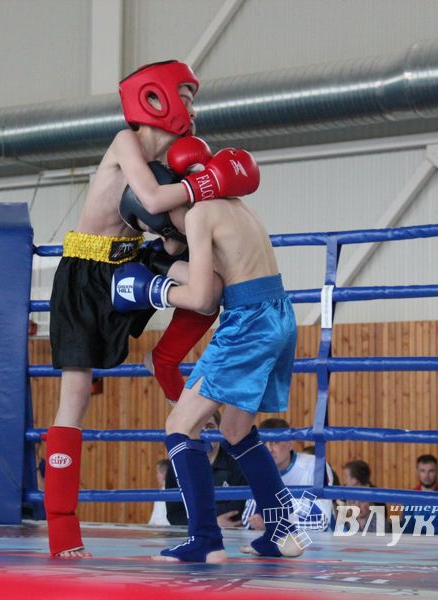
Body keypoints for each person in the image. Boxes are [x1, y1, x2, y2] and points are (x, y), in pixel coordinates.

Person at [45, 60, 254, 558]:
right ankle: (62, 532)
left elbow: (180, 240)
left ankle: (168, 364)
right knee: (75, 396)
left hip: (131, 266)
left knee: (207, 283)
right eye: (184, 93)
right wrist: (203, 186)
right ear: (156, 98)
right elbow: (156, 197)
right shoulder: (125, 143)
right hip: (84, 274)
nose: (192, 106)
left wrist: (204, 197)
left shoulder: (174, 163)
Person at [110, 146, 292, 563]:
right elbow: (217, 275)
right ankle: (282, 529)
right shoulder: (234, 205)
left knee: (179, 426)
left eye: (157, 231)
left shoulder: (196, 215)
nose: (164, 239)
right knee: (235, 429)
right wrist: (166, 264)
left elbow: (203, 295)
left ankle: (205, 540)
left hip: (247, 322)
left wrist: (150, 287)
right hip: (279, 314)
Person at [242, 418, 334, 532]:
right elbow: (249, 520)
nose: (269, 449)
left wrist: (274, 523)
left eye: (275, 442)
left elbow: (322, 521)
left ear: (290, 444)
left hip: (321, 544)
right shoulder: (260, 469)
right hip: (278, 541)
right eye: (264, 443)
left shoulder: (315, 466)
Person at [164, 411, 248, 529]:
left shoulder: (236, 461)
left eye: (209, 427)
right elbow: (174, 514)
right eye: (198, 427)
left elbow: (238, 507)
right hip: (190, 532)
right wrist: (211, 522)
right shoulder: (177, 464)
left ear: (220, 430)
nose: (203, 434)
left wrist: (200, 517)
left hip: (231, 531)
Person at [401, 454, 438, 534]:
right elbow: (407, 530)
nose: (427, 476)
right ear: (417, 472)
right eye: (422, 471)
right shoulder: (410, 497)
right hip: (416, 544)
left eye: (431, 471)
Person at [147, 458, 171, 526]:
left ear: (163, 475)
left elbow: (158, 521)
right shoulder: (161, 493)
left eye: (157, 473)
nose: (156, 476)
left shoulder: (162, 494)